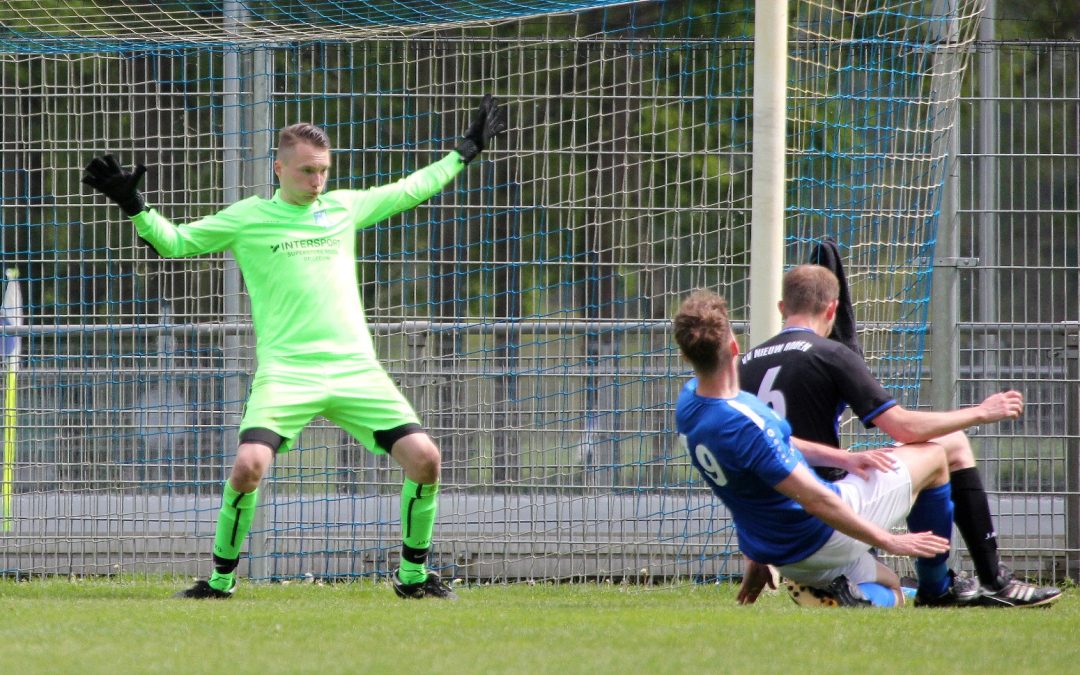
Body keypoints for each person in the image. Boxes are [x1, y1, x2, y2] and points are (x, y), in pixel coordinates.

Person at [82, 95, 508, 600]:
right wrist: (134, 205)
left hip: (355, 371)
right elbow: (175, 243)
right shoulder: (249, 217)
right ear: (279, 168)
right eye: (307, 171)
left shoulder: (343, 208)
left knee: (426, 459)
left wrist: (463, 151)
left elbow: (409, 189)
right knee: (248, 468)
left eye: (324, 171)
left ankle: (414, 577)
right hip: (287, 373)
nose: (317, 181)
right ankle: (219, 582)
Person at [738, 263, 1061, 608]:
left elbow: (747, 465)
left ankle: (845, 593)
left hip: (779, 541)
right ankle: (958, 585)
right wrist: (981, 412)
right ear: (832, 308)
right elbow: (902, 427)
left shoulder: (745, 365)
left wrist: (756, 553)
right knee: (946, 449)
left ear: (781, 308)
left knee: (892, 588)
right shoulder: (830, 354)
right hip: (829, 517)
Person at [673, 289, 972, 609]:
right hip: (819, 536)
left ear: (686, 356)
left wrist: (843, 458)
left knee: (893, 587)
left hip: (783, 554)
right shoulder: (749, 424)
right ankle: (938, 588)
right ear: (734, 346)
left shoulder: (690, 404)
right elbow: (816, 499)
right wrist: (889, 540)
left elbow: (765, 458)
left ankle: (846, 598)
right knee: (936, 455)